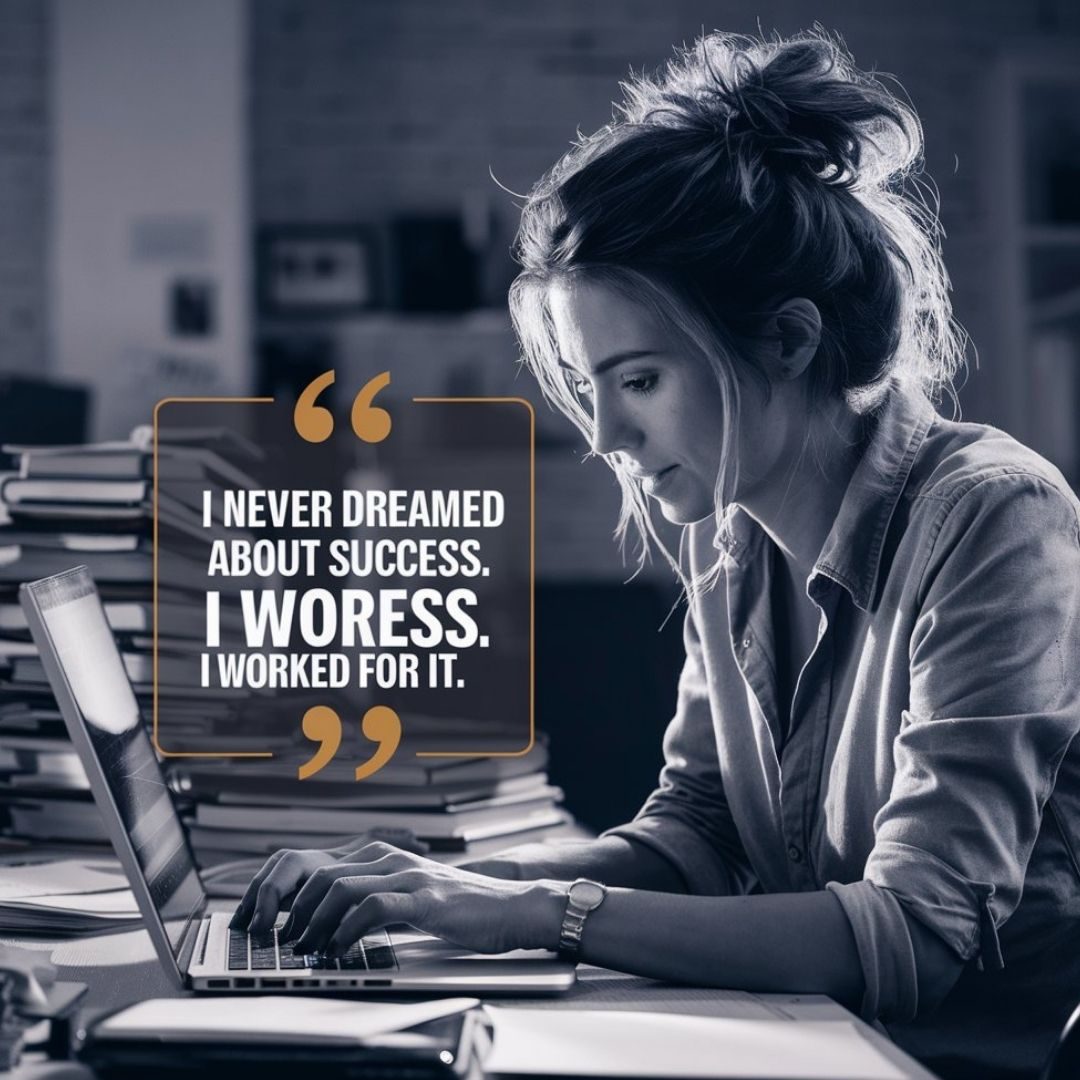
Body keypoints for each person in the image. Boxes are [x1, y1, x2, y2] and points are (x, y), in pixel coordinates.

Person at [232, 30, 1080, 1080]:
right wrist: (449, 885)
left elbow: (916, 934)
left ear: (789, 340)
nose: (604, 440)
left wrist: (540, 912)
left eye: (637, 383)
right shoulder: (731, 532)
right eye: (591, 390)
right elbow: (698, 833)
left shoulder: (996, 519)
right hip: (798, 1046)